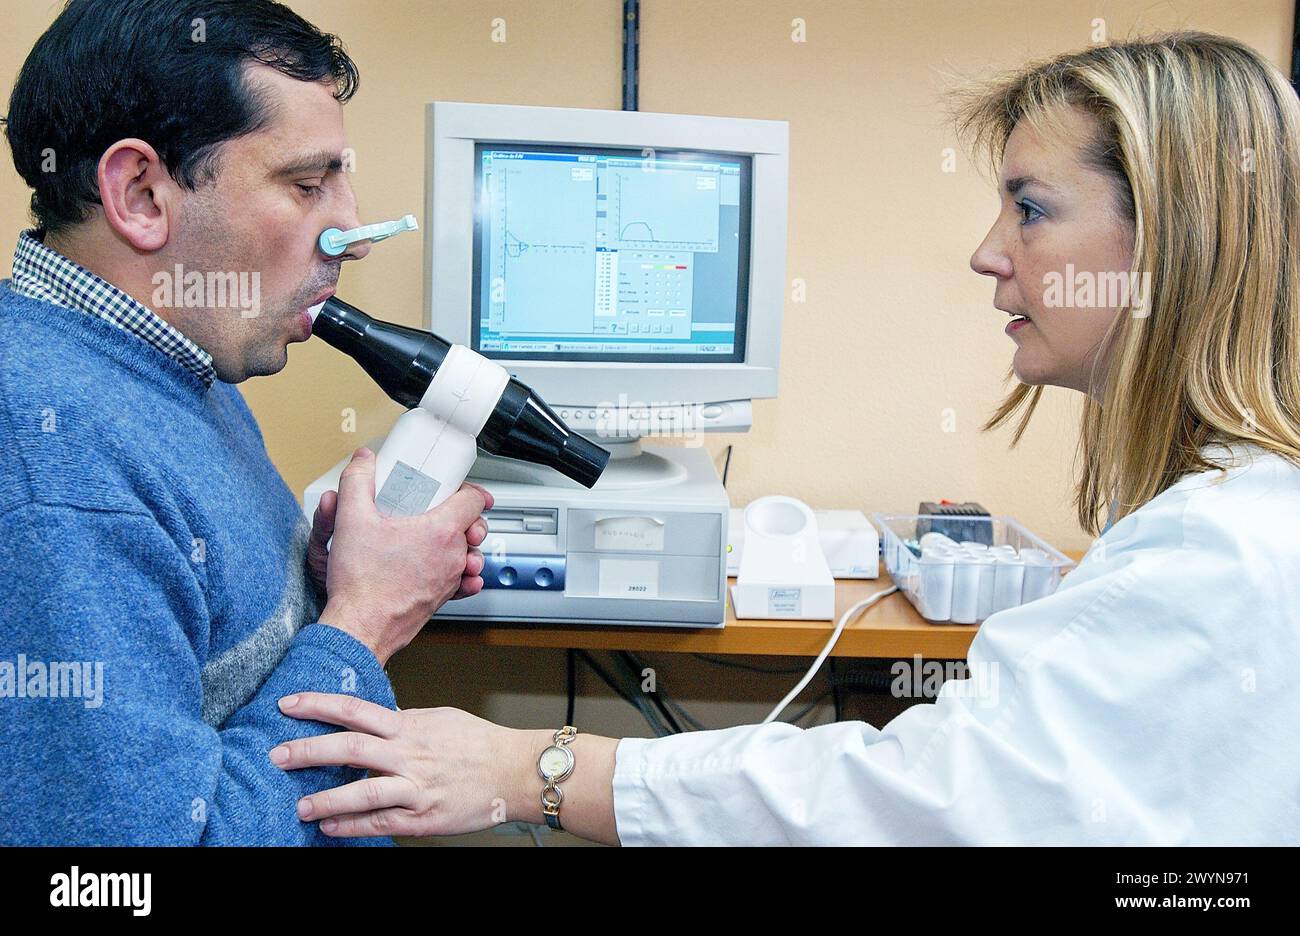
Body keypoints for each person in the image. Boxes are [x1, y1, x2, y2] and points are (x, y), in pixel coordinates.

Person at [274, 31, 1300, 845]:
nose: (987, 253)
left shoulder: (1217, 557)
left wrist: (532, 772)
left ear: (1167, 239)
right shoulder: (1224, 518)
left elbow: (924, 802)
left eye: (1029, 210)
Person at [0, 0, 490, 845]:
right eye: (307, 186)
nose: (352, 232)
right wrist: (366, 619)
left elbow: (211, 662)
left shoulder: (178, 358)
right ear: (141, 194)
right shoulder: (52, 479)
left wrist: (325, 582)